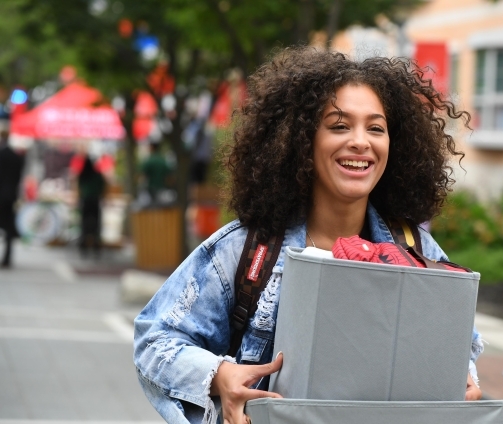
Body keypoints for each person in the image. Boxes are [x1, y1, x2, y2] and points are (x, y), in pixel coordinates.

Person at [133, 47, 483, 424]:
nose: (361, 142)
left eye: (376, 128)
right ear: (302, 141)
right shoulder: (244, 252)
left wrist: (461, 380)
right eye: (339, 125)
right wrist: (221, 376)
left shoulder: (419, 252)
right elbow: (155, 341)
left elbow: (460, 348)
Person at [0, 131, 25, 268]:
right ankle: (7, 258)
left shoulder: (1, 155)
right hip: (11, 196)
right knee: (9, 228)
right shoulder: (17, 157)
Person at [77, 156, 106, 258]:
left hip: (85, 201)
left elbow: (79, 188)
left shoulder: (82, 175)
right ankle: (96, 244)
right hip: (95, 200)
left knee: (84, 223)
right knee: (96, 223)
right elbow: (103, 187)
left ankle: (84, 245)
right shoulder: (97, 175)